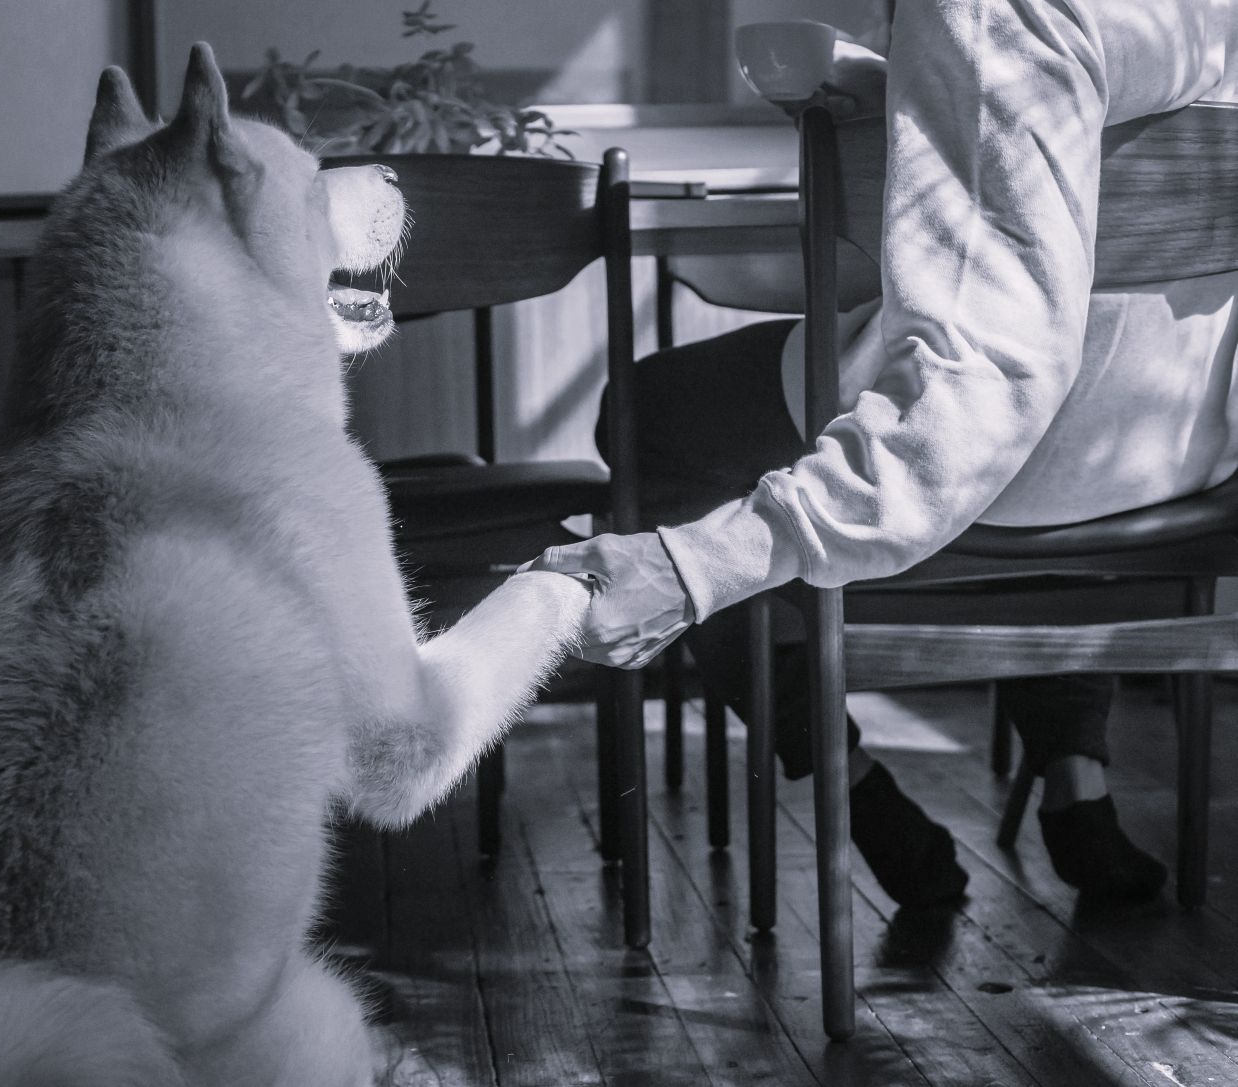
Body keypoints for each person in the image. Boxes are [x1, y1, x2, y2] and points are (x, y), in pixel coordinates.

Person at [527, 0, 1238, 906]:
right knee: (1012, 442)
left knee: (650, 409)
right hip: (1171, 450)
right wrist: (898, 100)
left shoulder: (989, 18)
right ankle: (1075, 782)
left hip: (998, 445)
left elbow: (981, 385)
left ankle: (845, 783)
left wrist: (699, 562)